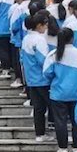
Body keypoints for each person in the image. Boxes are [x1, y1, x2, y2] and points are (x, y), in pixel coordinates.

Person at [43, 28, 77, 152]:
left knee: (60, 121)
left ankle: (63, 148)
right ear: (72, 38)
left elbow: (47, 73)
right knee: (76, 121)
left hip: (58, 93)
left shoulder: (53, 55)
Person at [21, 14, 54, 143]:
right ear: (39, 25)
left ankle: (39, 134)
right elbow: (43, 60)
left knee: (38, 108)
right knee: (53, 106)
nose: (46, 27)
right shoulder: (39, 40)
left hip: (31, 79)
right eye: (45, 24)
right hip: (42, 78)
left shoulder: (26, 38)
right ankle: (59, 132)